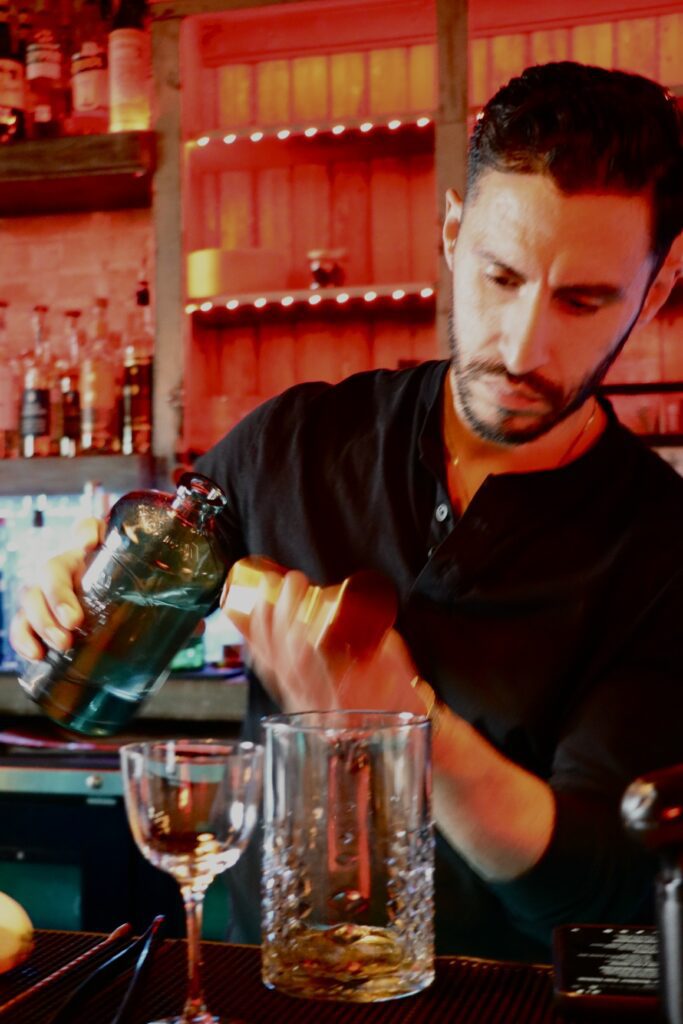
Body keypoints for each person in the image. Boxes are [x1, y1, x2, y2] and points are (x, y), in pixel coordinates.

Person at [10, 61, 683, 962]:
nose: (523, 344)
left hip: (489, 1003)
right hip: (257, 990)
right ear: (451, 231)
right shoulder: (296, 442)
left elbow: (603, 893)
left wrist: (401, 724)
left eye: (581, 300)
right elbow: (103, 660)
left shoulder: (660, 548)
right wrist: (68, 608)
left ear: (661, 282)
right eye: (499, 275)